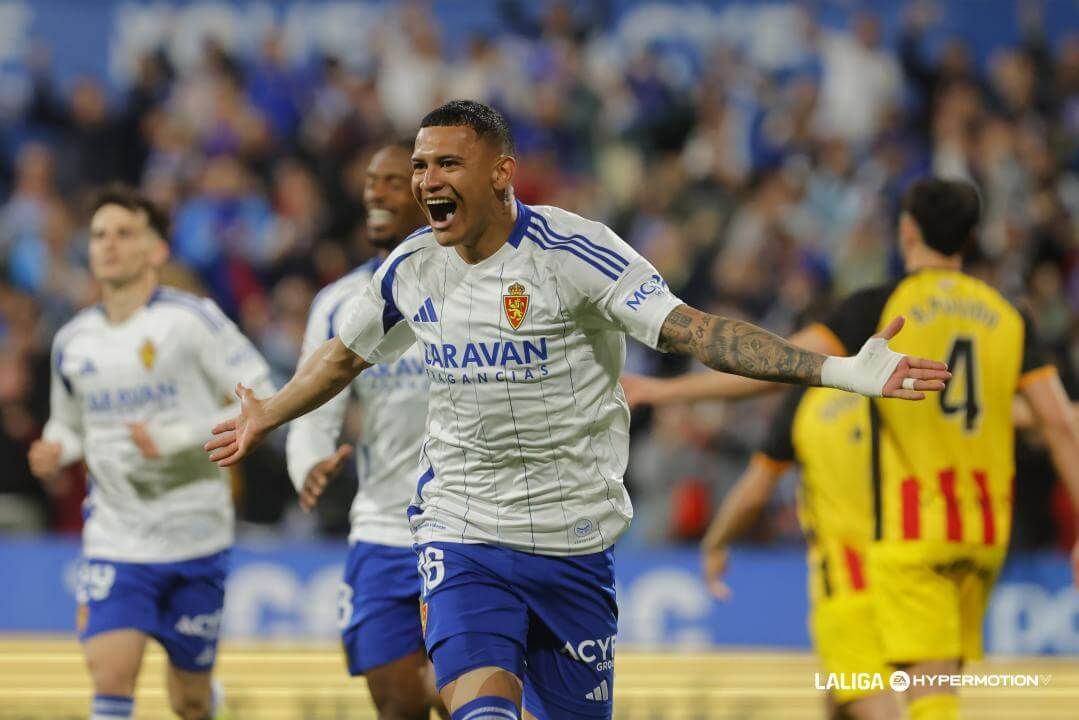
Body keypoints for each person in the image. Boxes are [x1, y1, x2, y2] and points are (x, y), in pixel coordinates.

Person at [204, 100, 948, 720]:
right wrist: (269, 412)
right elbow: (344, 354)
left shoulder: (574, 254)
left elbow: (698, 333)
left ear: (501, 172)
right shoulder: (412, 265)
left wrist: (836, 370)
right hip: (462, 532)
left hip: (574, 543)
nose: (425, 180)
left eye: (445, 164)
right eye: (421, 166)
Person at [627, 178, 1079, 720]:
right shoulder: (1011, 316)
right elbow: (1058, 420)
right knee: (911, 689)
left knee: (912, 697)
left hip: (910, 536)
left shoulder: (882, 308)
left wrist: (665, 390)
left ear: (907, 229)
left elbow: (777, 365)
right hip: (986, 529)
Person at [28, 185, 273, 720]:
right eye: (98, 235)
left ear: (156, 250)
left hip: (195, 536)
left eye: (124, 233)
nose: (109, 244)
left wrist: (175, 438)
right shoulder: (73, 340)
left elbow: (261, 393)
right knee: (111, 680)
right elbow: (68, 423)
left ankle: (205, 698)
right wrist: (55, 447)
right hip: (116, 538)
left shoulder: (192, 320)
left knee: (188, 701)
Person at [285, 140, 447, 719]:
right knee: (398, 705)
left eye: (390, 180)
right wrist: (307, 464)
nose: (375, 192)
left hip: (465, 526)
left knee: (466, 701)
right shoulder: (337, 303)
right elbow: (313, 412)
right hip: (381, 530)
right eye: (370, 181)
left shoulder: (470, 283)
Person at [701, 386, 898, 720]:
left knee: (870, 698)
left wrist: (716, 542)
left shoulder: (808, 399)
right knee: (846, 692)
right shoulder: (907, 381)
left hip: (850, 581)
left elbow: (756, 490)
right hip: (913, 572)